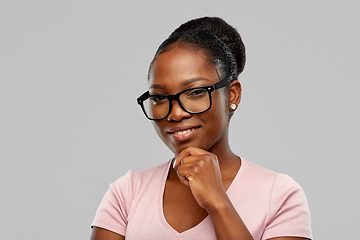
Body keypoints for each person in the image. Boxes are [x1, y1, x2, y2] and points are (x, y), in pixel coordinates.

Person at [90, 17, 312, 240]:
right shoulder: (127, 193)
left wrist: (218, 202)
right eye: (159, 97)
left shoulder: (279, 195)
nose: (176, 113)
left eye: (195, 92)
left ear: (232, 94)